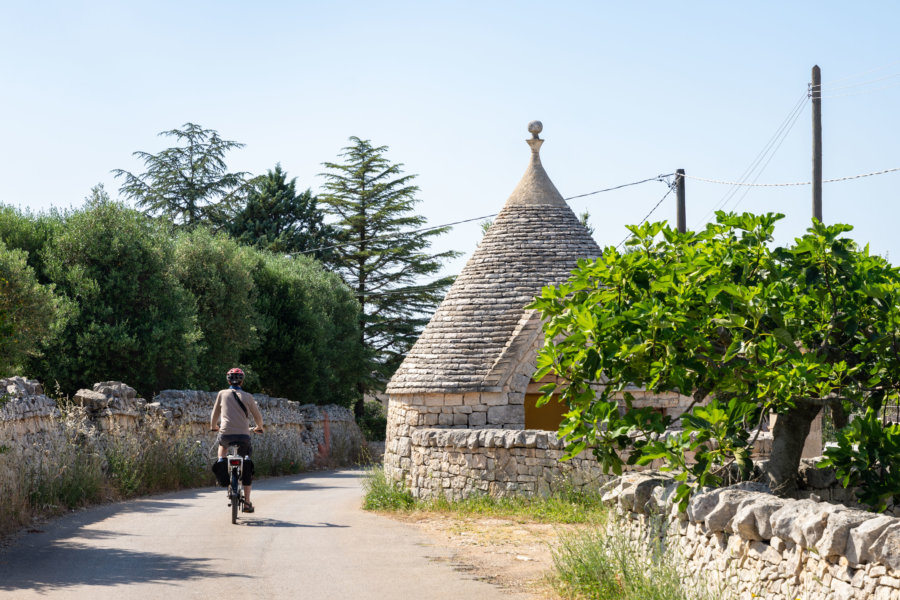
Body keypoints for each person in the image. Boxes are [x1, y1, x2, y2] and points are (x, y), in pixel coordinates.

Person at [210, 367, 265, 513]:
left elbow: (215, 414)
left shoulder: (222, 393)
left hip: (226, 434)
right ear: (242, 380)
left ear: (228, 380)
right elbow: (258, 417)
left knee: (222, 448)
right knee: (246, 459)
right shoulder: (248, 396)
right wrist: (259, 427)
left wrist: (213, 426)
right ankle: (247, 503)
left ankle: (222, 472)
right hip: (243, 435)